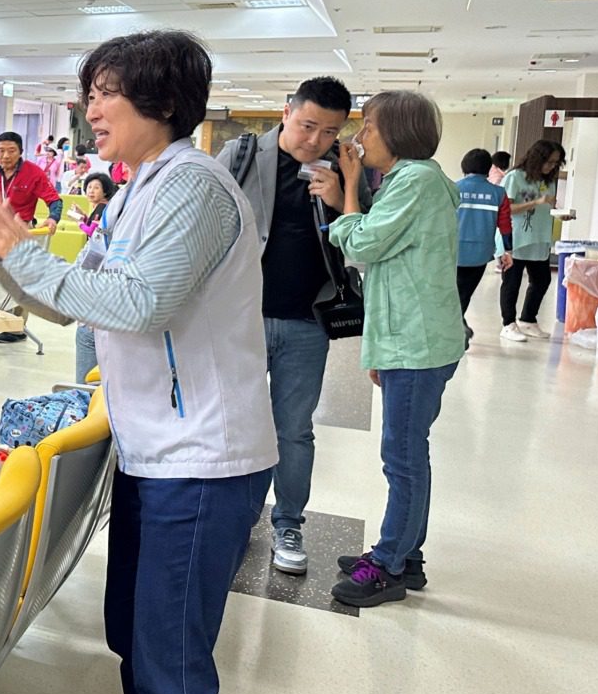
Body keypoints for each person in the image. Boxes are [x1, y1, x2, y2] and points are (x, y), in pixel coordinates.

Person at [0, 30, 275, 694]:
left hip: (202, 460)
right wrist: (11, 255)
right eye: (89, 91)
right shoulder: (140, 187)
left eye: (106, 91)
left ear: (162, 101)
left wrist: (25, 253)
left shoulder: (194, 188)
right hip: (153, 453)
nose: (90, 107)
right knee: (136, 647)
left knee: (173, 672)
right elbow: (81, 297)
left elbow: (139, 305)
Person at [217, 75, 370, 576]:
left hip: (308, 323)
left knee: (294, 432)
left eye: (329, 132)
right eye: (307, 126)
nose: (315, 140)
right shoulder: (240, 158)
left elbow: (365, 245)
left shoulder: (345, 170)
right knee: (235, 424)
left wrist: (342, 197)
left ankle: (288, 523)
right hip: (243, 321)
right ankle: (236, 517)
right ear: (286, 113)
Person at [328, 90, 462, 608]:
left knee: (402, 458)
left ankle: (387, 566)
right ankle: (407, 556)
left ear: (398, 133)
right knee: (409, 453)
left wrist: (350, 190)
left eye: (368, 129)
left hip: (419, 344)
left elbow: (361, 244)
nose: (360, 139)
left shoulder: (420, 182)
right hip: (412, 339)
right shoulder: (412, 181)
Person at [499, 139, 565, 341]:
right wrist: (536, 202)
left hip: (539, 238)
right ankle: (508, 324)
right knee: (512, 282)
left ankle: (528, 319)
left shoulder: (548, 181)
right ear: (538, 158)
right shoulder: (515, 177)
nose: (551, 166)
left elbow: (545, 206)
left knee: (542, 280)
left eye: (556, 163)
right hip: (516, 238)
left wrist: (560, 214)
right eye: (549, 162)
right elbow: (505, 209)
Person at [454, 148, 513, 346]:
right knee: (464, 294)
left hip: (452, 252)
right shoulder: (498, 193)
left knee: (452, 292)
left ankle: (458, 329)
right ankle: (458, 328)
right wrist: (507, 251)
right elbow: (505, 224)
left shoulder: (453, 188)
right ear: (488, 169)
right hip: (479, 254)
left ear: (464, 167)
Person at [69, 171, 115, 384]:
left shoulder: (106, 210)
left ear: (105, 189)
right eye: (89, 187)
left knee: (86, 335)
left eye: (96, 187)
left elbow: (93, 234)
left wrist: (80, 222)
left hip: (99, 309)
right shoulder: (103, 209)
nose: (91, 191)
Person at [0, 131, 62, 232]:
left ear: (20, 152)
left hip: (22, 229)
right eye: (1, 151)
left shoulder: (34, 173)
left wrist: (52, 218)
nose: (6, 156)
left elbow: (55, 200)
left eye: (11, 151)